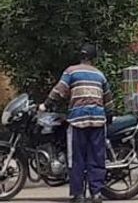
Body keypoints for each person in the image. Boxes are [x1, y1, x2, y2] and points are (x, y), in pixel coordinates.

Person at [41, 44, 114, 203]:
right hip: (97, 121)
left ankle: (78, 194)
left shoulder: (71, 71)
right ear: (94, 59)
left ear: (80, 56)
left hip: (77, 121)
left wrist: (45, 105)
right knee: (97, 158)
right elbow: (108, 100)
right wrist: (108, 117)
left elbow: (59, 91)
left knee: (76, 158)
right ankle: (96, 194)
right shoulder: (100, 75)